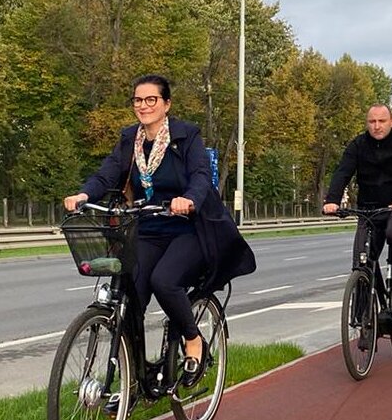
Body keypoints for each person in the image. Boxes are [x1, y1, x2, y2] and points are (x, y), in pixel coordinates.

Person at [64, 74, 256, 384]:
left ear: (166, 104)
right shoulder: (129, 140)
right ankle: (135, 379)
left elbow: (199, 176)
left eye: (151, 99)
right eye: (138, 100)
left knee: (164, 281)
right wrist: (84, 194)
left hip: (188, 229)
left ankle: (193, 339)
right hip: (147, 228)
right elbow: (106, 174)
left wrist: (189, 200)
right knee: (130, 296)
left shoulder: (186, 136)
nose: (143, 105)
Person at [322, 104, 392, 309]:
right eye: (372, 121)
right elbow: (343, 172)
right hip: (369, 210)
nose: (376, 126)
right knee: (361, 262)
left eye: (381, 121)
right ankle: (362, 322)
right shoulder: (358, 145)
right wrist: (332, 200)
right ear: (367, 123)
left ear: (391, 122)